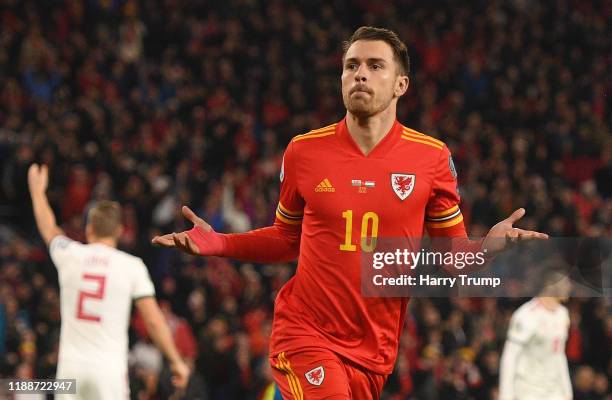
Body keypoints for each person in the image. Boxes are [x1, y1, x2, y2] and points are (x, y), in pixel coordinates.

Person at [152, 26, 547, 399]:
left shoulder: (431, 158)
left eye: (375, 66)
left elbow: (452, 258)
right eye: (351, 65)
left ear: (400, 85)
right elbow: (286, 239)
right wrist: (220, 242)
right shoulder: (304, 151)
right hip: (306, 334)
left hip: (375, 350)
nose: (360, 74)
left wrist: (488, 248)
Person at [28, 164, 190, 400]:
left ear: (89, 229)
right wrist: (176, 361)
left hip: (71, 370)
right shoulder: (131, 266)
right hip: (108, 372)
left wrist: (37, 192)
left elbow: (49, 229)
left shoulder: (70, 254)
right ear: (119, 231)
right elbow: (154, 320)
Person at [499, 271, 573, 400]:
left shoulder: (563, 315)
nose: (570, 286)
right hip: (528, 391)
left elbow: (559, 354)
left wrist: (567, 390)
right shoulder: (527, 315)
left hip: (555, 392)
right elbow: (510, 356)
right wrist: (506, 395)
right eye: (566, 282)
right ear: (551, 285)